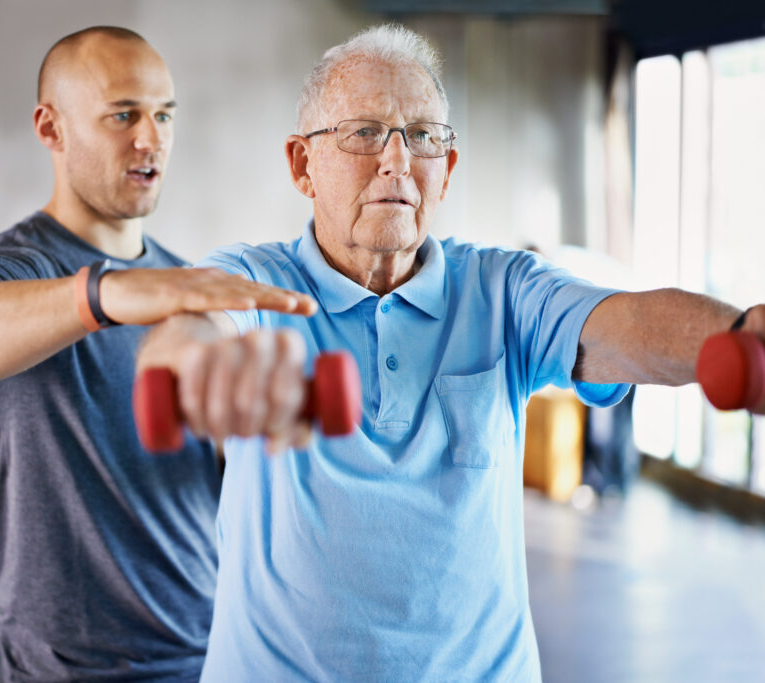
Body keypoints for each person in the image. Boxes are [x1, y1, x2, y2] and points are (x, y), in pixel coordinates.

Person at [136, 24, 765, 681]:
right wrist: (197, 364)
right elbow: (191, 327)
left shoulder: (503, 288)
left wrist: (739, 334)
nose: (397, 161)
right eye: (364, 131)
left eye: (423, 137)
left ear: (448, 169)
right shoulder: (253, 280)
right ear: (302, 164)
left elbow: (622, 322)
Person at [0, 27, 313, 682]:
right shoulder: (5, 272)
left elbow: (222, 484)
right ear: (51, 128)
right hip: (68, 668)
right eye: (123, 114)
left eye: (164, 114)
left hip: (214, 652)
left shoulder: (188, 287)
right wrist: (104, 293)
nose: (150, 138)